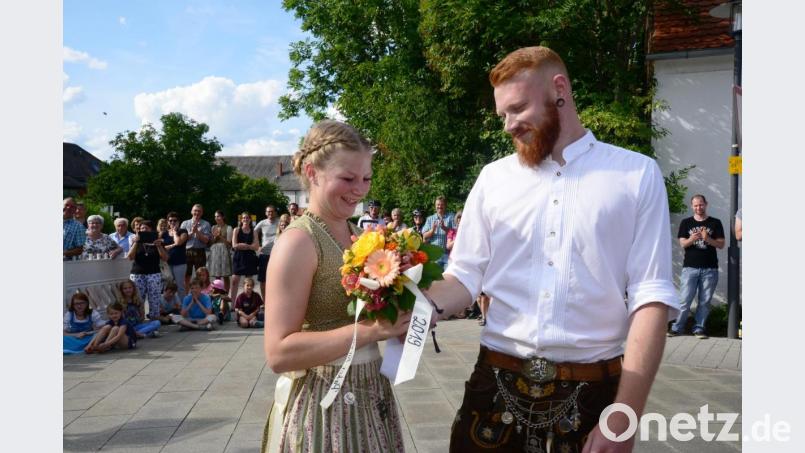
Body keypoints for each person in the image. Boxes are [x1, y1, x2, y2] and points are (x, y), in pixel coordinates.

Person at [425, 46, 679, 452]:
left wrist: (626, 413)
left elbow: (651, 297)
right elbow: (465, 275)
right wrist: (420, 305)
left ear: (559, 89)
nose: (509, 124)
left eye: (518, 108)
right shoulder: (493, 179)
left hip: (595, 393)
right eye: (503, 115)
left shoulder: (635, 175)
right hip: (494, 384)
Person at [261, 120, 410, 452]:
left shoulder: (361, 237)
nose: (359, 189)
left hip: (371, 396)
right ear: (313, 173)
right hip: (322, 407)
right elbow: (278, 352)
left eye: (366, 178)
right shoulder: (298, 242)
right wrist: (372, 331)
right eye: (347, 178)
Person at [668, 194, 725, 339]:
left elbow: (721, 244)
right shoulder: (686, 223)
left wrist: (707, 239)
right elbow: (682, 244)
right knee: (684, 299)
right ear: (692, 206)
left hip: (710, 269)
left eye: (701, 204)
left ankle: (699, 329)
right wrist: (692, 239)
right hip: (690, 268)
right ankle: (676, 328)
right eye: (695, 205)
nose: (698, 207)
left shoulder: (715, 222)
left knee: (704, 301)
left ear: (706, 204)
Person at [127, 220, 168, 321]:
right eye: (141, 228)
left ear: (151, 230)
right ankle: (138, 319)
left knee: (154, 298)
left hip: (153, 273)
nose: (143, 230)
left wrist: (158, 245)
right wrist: (136, 242)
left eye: (146, 228)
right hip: (137, 274)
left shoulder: (157, 241)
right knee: (138, 298)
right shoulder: (136, 242)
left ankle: (154, 319)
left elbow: (165, 258)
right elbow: (130, 257)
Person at [181, 204, 212, 292]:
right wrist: (191, 232)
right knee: (186, 275)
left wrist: (197, 232)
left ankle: (201, 294)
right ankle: (186, 296)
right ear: (191, 211)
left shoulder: (206, 224)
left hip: (200, 251)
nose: (197, 212)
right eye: (195, 210)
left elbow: (206, 240)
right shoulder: (185, 223)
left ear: (202, 213)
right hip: (187, 251)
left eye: (199, 211)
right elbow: (181, 240)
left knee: (201, 275)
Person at [230, 211, 260, 300]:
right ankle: (233, 304)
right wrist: (249, 246)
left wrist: (245, 246)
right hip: (239, 257)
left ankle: (247, 302)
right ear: (241, 219)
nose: (245, 219)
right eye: (243, 218)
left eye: (247, 218)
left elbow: (256, 247)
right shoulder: (236, 230)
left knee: (249, 282)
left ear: (250, 219)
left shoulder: (254, 232)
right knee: (235, 281)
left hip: (250, 258)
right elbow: (234, 245)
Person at [161, 212, 189, 299]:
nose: (172, 222)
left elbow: (178, 242)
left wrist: (175, 233)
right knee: (167, 286)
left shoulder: (183, 231)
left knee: (180, 286)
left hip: (180, 263)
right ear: (168, 222)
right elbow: (161, 247)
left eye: (175, 220)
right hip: (167, 263)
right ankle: (167, 306)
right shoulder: (164, 234)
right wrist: (172, 246)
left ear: (178, 221)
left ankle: (182, 307)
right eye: (170, 220)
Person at [422, 196, 454, 269]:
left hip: (448, 254)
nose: (440, 206)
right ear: (435, 206)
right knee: (435, 278)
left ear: (445, 205)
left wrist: (444, 228)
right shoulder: (430, 219)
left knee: (447, 276)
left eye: (442, 204)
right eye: (438, 205)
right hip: (434, 254)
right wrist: (432, 230)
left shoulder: (451, 217)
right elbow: (424, 236)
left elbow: (456, 234)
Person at [255, 205, 280, 297]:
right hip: (264, 254)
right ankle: (265, 302)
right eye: (268, 211)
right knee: (263, 280)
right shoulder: (262, 223)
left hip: (277, 254)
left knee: (276, 279)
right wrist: (257, 246)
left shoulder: (280, 222)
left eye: (272, 211)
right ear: (266, 213)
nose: (270, 213)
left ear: (275, 212)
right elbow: (253, 233)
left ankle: (274, 300)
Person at [208, 210, 234, 292]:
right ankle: (218, 293)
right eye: (215, 216)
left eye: (218, 216)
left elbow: (229, 244)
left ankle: (226, 294)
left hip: (224, 251)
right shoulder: (213, 227)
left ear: (223, 217)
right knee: (217, 275)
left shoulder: (229, 227)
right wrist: (215, 237)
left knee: (226, 276)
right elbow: (211, 243)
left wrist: (220, 236)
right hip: (215, 251)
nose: (216, 218)